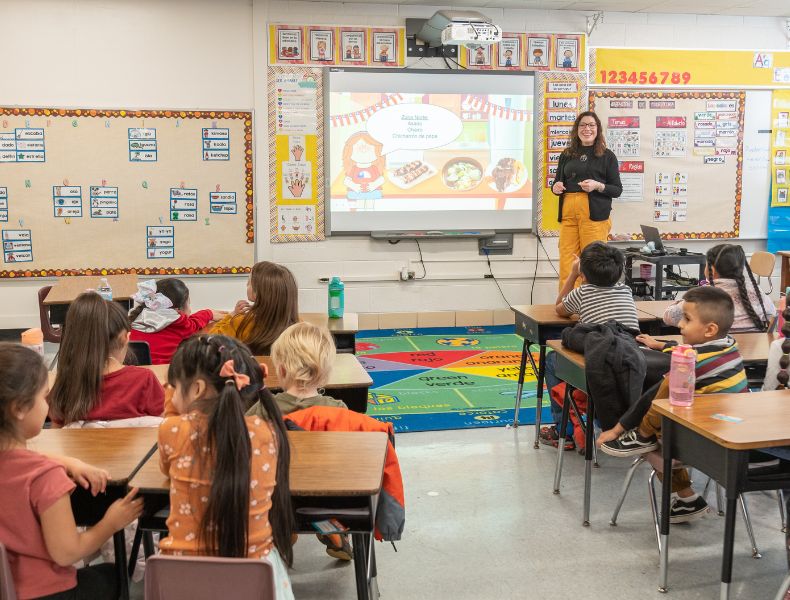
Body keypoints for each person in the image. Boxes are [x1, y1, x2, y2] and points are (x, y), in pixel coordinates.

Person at [0, 343, 143, 599]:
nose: (48, 406)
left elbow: (16, 459)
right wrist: (110, 523)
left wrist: (68, 462)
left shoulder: (37, 468)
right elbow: (66, 553)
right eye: (43, 397)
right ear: (19, 409)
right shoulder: (45, 476)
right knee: (114, 575)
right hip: (47, 592)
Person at [159, 335, 294, 598]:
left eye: (173, 387)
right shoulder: (269, 433)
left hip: (180, 579)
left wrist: (173, 408)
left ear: (196, 390)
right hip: (255, 577)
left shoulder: (172, 430)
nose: (170, 394)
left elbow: (165, 469)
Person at [599, 287, 749, 522]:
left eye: (687, 319)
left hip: (708, 444)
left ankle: (642, 436)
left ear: (710, 329)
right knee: (669, 409)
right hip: (734, 437)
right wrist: (661, 345)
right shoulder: (729, 345)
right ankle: (687, 499)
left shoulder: (691, 363)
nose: (680, 325)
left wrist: (619, 428)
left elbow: (652, 397)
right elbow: (688, 349)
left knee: (660, 422)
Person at [539, 241, 639, 450]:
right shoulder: (626, 291)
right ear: (620, 271)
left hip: (596, 366)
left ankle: (563, 431)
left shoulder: (582, 293)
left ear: (583, 274)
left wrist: (573, 275)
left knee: (551, 360)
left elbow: (559, 308)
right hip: (628, 364)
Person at [49, 292, 165, 426]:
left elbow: (57, 432)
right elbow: (164, 425)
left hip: (82, 447)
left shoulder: (66, 383)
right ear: (125, 338)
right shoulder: (145, 380)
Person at [551, 111, 623, 290]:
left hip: (594, 216)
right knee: (567, 260)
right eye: (583, 125)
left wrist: (598, 186)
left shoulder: (607, 156)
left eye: (591, 125)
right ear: (577, 129)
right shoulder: (567, 154)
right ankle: (566, 304)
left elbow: (617, 190)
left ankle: (589, 305)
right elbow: (557, 182)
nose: (587, 129)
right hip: (569, 213)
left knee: (593, 263)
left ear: (598, 129)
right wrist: (556, 187)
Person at [663, 244, 775, 333]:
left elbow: (669, 317)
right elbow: (772, 315)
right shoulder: (756, 290)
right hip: (754, 354)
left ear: (712, 269)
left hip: (714, 353)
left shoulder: (703, 295)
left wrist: (679, 302)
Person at [247, 322, 347, 418]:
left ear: (282, 370)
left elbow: (238, 432)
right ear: (326, 372)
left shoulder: (264, 408)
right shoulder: (339, 411)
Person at [210, 261, 299, 355]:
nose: (246, 285)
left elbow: (211, 341)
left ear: (258, 292)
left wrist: (231, 316)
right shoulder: (296, 326)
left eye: (249, 282)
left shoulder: (241, 322)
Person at [129, 278, 226, 364]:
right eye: (189, 303)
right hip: (162, 371)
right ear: (178, 309)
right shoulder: (176, 320)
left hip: (135, 371)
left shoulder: (141, 315)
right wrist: (209, 313)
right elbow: (194, 324)